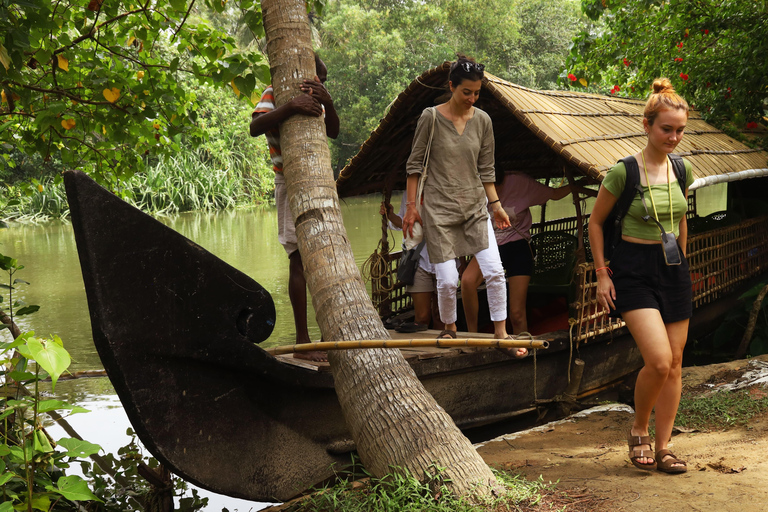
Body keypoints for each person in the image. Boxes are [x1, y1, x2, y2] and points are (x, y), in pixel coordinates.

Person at [588, 78, 693, 474]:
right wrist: (602, 274)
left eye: (679, 130)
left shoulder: (682, 168)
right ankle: (638, 429)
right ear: (647, 125)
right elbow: (595, 223)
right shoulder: (624, 172)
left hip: (672, 267)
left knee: (676, 361)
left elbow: (681, 218)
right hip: (632, 269)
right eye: (666, 129)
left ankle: (664, 446)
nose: (673, 137)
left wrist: (682, 259)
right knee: (660, 360)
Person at [402, 55, 524, 356]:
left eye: (477, 93)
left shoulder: (483, 121)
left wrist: (496, 205)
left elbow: (486, 170)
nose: (472, 98)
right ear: (451, 86)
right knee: (447, 280)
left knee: (494, 271)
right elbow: (414, 165)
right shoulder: (430, 118)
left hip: (474, 208)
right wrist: (412, 207)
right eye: (466, 92)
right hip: (439, 210)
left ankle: (501, 333)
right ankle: (450, 329)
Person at [249, 54, 340, 362]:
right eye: (318, 78)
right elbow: (255, 126)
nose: (321, 83)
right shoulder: (275, 92)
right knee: (298, 258)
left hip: (319, 181)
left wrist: (329, 102)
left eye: (324, 80)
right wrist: (291, 106)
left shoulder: (319, 98)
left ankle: (329, 336)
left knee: (328, 255)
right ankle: (302, 341)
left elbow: (334, 131)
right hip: (290, 181)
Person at [461, 172, 573, 335]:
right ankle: (472, 334)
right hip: (489, 245)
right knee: (467, 281)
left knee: (517, 314)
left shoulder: (519, 183)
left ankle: (523, 345)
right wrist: (462, 261)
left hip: (517, 246)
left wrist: (577, 186)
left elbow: (554, 194)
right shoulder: (473, 188)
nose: (492, 192)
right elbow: (462, 224)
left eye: (496, 188)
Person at [380, 194, 444, 332]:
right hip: (418, 260)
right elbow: (404, 222)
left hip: (444, 258)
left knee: (441, 316)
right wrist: (390, 216)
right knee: (422, 317)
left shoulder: (446, 188)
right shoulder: (409, 194)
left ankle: (442, 343)